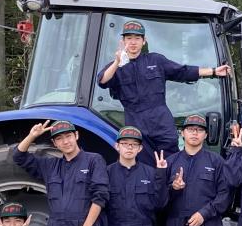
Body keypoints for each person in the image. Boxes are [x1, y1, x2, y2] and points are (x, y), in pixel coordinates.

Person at [98, 19, 232, 162]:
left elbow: (182, 71)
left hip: (161, 120)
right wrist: (117, 62)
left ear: (144, 41)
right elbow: (102, 81)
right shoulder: (116, 67)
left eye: (137, 38)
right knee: (143, 166)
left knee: (171, 162)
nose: (133, 42)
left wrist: (213, 71)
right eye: (129, 38)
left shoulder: (156, 60)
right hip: (135, 123)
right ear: (123, 41)